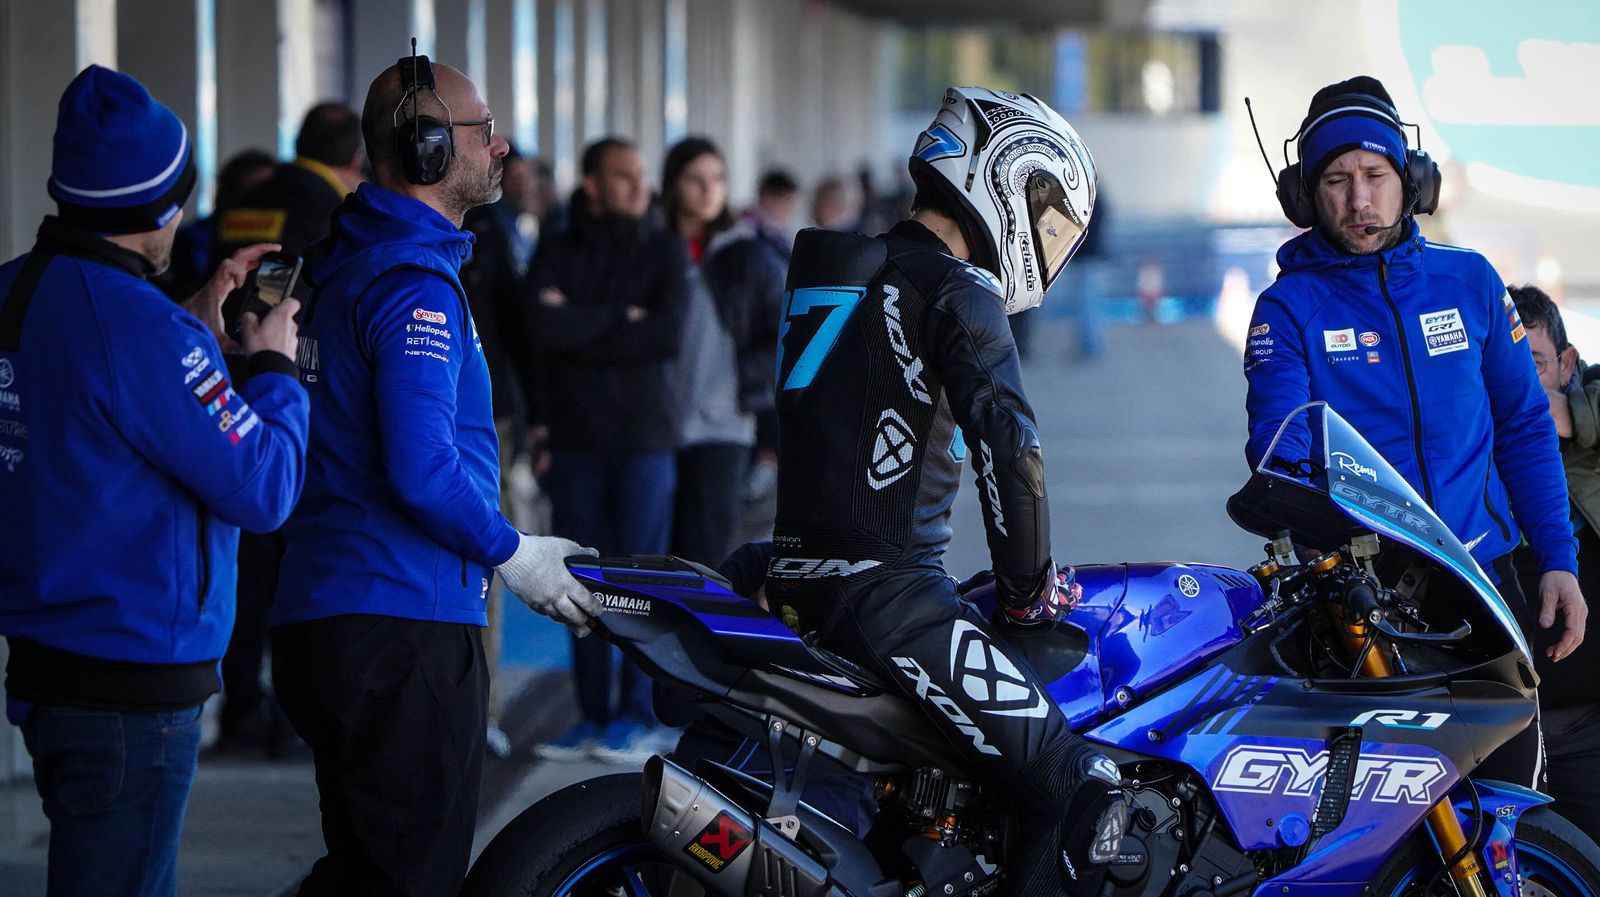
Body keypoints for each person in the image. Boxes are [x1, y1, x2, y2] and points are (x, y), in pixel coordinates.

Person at [767, 87, 1125, 897]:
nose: (1051, 243)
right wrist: (1029, 591)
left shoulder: (838, 265)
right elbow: (1014, 452)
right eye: (1052, 217)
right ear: (1006, 181)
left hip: (787, 574)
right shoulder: (958, 290)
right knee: (1081, 785)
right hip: (890, 596)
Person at [269, 55, 598, 895]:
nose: (501, 147)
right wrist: (515, 553)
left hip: (330, 614)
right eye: (481, 131)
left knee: (365, 871)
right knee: (409, 878)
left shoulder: (345, 257)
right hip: (399, 621)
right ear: (425, 150)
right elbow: (421, 469)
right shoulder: (411, 284)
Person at [0, 65, 308, 897]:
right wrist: (275, 366)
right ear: (166, 203)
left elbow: (96, 413)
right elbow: (264, 484)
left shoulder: (17, 290)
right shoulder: (143, 331)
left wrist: (193, 326)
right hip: (131, 684)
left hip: (48, 663)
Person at [1242, 76, 1586, 785]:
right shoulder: (1287, 309)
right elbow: (1282, 450)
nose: (1358, 200)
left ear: (1411, 180)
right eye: (1336, 180)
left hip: (1485, 580)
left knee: (1508, 806)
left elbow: (1524, 426)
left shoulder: (1472, 284)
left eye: (1374, 175)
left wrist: (1558, 557)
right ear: (1307, 196)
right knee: (1390, 823)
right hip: (1366, 601)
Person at [522, 137, 690, 762]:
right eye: (622, 176)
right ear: (591, 183)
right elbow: (541, 328)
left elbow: (667, 334)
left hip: (645, 441)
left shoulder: (663, 247)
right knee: (577, 579)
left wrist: (582, 322)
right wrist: (624, 320)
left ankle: (633, 713)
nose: (637, 186)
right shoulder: (559, 248)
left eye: (640, 175)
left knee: (639, 581)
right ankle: (590, 714)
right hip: (575, 441)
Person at [208, 102, 365, 757]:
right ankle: (285, 710)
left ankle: (243, 702)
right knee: (286, 553)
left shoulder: (251, 199)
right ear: (356, 159)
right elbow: (291, 305)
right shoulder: (332, 211)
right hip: (289, 389)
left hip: (225, 382)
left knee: (246, 559)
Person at [661, 136, 785, 567]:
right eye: (696, 179)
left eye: (717, 178)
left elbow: (786, 333)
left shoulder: (749, 255)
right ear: (673, 184)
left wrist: (740, 383)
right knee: (653, 558)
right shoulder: (655, 249)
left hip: (722, 428)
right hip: (655, 427)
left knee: (707, 561)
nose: (709, 189)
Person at [1508, 285, 1600, 832]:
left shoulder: (1583, 416)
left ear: (1566, 364)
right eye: (1506, 369)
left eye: (1534, 365)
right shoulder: (1472, 438)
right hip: (1505, 732)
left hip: (1589, 727)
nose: (1521, 386)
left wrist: (1569, 414)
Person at [748, 167, 801, 261]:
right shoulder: (746, 229)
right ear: (766, 197)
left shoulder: (780, 234)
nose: (790, 209)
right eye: (787, 200)